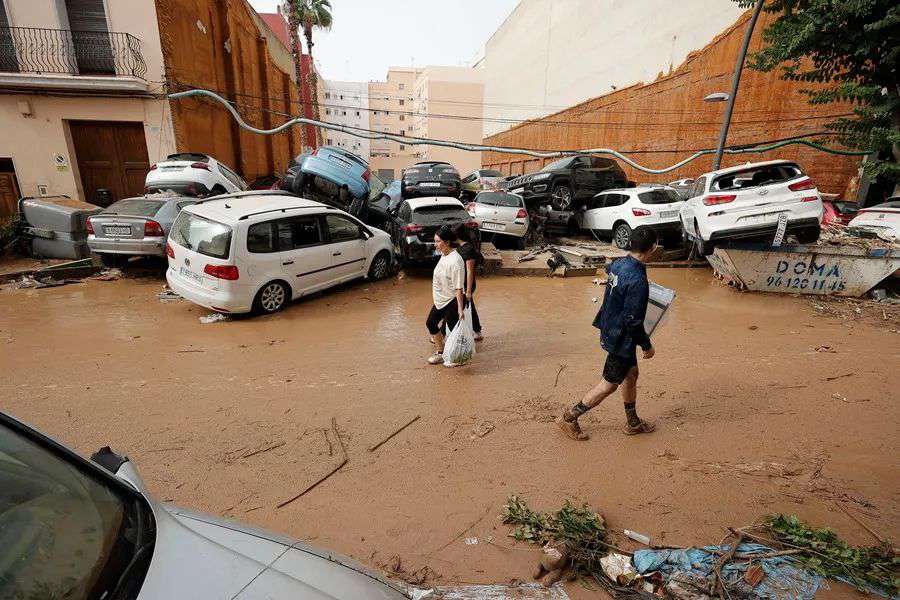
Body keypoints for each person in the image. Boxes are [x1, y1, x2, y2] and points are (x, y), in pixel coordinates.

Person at [558, 227, 659, 440]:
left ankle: (632, 422)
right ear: (653, 248)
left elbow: (608, 268)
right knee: (608, 385)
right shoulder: (638, 280)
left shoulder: (619, 264)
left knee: (631, 375)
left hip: (610, 327)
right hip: (622, 338)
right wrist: (647, 345)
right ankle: (569, 417)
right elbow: (633, 321)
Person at [426, 225, 466, 365]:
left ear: (447, 242)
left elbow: (459, 288)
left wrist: (461, 309)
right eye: (435, 241)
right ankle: (441, 352)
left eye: (438, 241)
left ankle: (458, 357)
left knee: (454, 331)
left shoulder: (456, 261)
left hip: (452, 300)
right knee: (431, 323)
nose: (435, 244)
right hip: (440, 299)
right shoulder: (444, 254)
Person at [455, 225, 484, 341]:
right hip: (460, 283)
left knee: (465, 305)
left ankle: (443, 333)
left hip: (467, 284)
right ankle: (477, 331)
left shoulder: (468, 249)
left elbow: (470, 271)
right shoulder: (459, 247)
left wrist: (468, 291)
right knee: (468, 306)